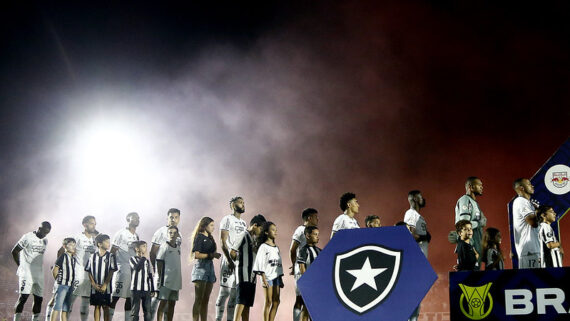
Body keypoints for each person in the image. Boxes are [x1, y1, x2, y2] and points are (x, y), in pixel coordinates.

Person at [12, 221, 51, 321]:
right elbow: (15, 251)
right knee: (23, 298)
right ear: (39, 228)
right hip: (26, 273)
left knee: (39, 299)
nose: (45, 235)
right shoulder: (27, 237)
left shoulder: (45, 240)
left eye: (47, 233)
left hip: (39, 274)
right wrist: (21, 266)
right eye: (44, 232)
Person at [216, 197, 247, 321]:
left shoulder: (244, 223)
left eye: (244, 202)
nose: (243, 204)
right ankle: (218, 318)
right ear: (233, 205)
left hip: (239, 262)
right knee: (224, 292)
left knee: (234, 295)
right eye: (240, 202)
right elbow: (222, 242)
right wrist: (229, 260)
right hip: (229, 260)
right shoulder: (227, 219)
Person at [231, 214, 266, 321]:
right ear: (255, 225)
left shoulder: (254, 239)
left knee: (247, 307)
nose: (261, 231)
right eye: (260, 228)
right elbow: (232, 252)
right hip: (243, 274)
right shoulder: (242, 234)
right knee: (241, 302)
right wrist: (239, 260)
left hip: (252, 276)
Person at [149, 208, 181, 321]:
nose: (173, 219)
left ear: (179, 219)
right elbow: (152, 252)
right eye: (171, 217)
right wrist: (155, 270)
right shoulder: (160, 232)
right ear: (167, 218)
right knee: (156, 300)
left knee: (171, 303)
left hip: (173, 276)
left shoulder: (178, 234)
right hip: (162, 274)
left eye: (176, 217)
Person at [403, 190, 430, 321]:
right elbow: (408, 234)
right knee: (413, 296)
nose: (423, 198)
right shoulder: (411, 214)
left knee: (417, 297)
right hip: (414, 262)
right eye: (420, 196)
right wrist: (424, 236)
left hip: (420, 260)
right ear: (414, 198)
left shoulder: (419, 215)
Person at [289, 208, 318, 321]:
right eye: (316, 217)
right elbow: (292, 249)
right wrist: (294, 265)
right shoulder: (300, 230)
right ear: (309, 218)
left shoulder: (312, 232)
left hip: (310, 269)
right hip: (301, 269)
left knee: (309, 298)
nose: (317, 219)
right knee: (300, 298)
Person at [190, 217, 221, 321]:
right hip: (201, 268)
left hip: (210, 268)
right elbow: (197, 255)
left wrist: (214, 255)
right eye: (211, 225)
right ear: (205, 225)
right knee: (198, 299)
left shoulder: (211, 238)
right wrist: (211, 255)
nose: (213, 227)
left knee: (206, 300)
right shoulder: (199, 237)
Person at [110, 212, 140, 321]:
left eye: (138, 218)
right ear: (128, 219)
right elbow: (112, 251)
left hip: (133, 271)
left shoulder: (136, 236)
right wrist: (112, 268)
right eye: (134, 217)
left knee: (130, 298)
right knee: (115, 297)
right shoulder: (121, 233)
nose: (137, 219)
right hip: (122, 269)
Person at [70, 216, 100, 321]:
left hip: (90, 275)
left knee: (86, 301)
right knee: (70, 300)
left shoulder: (95, 240)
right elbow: (62, 252)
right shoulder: (77, 237)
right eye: (91, 223)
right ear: (84, 224)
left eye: (95, 224)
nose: (94, 226)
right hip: (78, 273)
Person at [454, 177, 487, 270]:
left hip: (476, 245)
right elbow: (464, 224)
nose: (482, 187)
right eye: (479, 185)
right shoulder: (465, 199)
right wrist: (480, 223)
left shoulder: (474, 202)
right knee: (469, 278)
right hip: (469, 247)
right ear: (471, 187)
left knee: (475, 277)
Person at [254, 222, 283, 321]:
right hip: (267, 277)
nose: (275, 232)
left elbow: (279, 264)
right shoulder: (263, 247)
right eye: (273, 230)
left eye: (276, 230)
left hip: (276, 277)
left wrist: (281, 278)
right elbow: (260, 262)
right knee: (268, 301)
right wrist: (263, 278)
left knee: (276, 301)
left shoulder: (276, 247)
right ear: (266, 232)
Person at [86, 234, 117, 321]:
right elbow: (88, 270)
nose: (109, 244)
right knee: (97, 306)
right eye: (106, 242)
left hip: (106, 287)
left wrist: (105, 284)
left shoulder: (111, 256)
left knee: (105, 306)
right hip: (95, 287)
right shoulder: (92, 256)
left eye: (109, 242)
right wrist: (93, 284)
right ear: (99, 244)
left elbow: (111, 271)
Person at [512, 178, 541, 269]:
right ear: (522, 188)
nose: (532, 186)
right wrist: (538, 211)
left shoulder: (527, 202)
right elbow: (533, 222)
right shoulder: (521, 201)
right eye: (529, 184)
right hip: (529, 250)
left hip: (534, 249)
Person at [155, 226, 182, 321]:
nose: (172, 235)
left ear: (178, 235)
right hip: (166, 281)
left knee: (172, 304)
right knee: (163, 303)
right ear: (167, 234)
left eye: (175, 233)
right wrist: (159, 275)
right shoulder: (164, 246)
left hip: (176, 281)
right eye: (170, 232)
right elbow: (159, 261)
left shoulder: (178, 247)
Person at [296, 226, 321, 321]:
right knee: (307, 308)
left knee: (315, 309)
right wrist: (307, 282)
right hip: (309, 285)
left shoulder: (319, 251)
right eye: (315, 234)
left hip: (317, 284)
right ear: (307, 236)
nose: (317, 237)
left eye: (318, 235)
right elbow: (302, 267)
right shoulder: (303, 250)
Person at [51, 237, 78, 321]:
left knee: (65, 309)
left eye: (74, 244)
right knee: (57, 307)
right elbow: (55, 270)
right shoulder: (63, 256)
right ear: (65, 246)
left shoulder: (73, 259)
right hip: (62, 285)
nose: (73, 246)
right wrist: (58, 281)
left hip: (71, 286)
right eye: (70, 244)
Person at [129, 241, 154, 321]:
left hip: (146, 289)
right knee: (134, 312)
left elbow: (150, 275)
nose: (145, 248)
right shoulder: (132, 259)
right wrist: (143, 257)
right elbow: (137, 268)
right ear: (137, 249)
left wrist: (152, 288)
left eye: (146, 246)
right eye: (143, 246)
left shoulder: (146, 261)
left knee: (148, 312)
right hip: (135, 289)